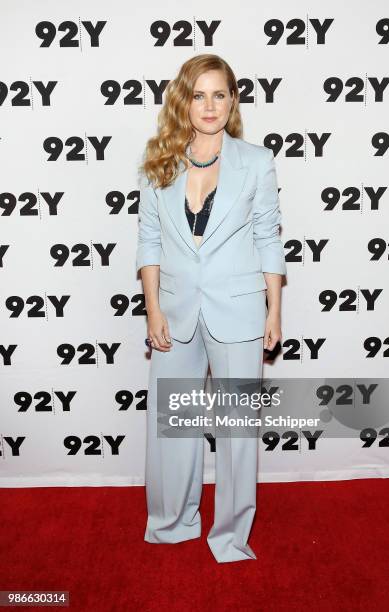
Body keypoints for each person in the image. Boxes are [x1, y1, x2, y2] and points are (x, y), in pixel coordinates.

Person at [136, 53, 287, 563]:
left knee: (238, 430)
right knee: (172, 426)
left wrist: (274, 311)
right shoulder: (160, 160)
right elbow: (149, 240)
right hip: (175, 311)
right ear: (184, 100)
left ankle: (229, 536)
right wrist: (153, 309)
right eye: (198, 94)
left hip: (240, 309)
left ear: (233, 100)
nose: (209, 105)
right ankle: (172, 523)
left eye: (219, 94)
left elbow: (268, 236)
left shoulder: (256, 161)